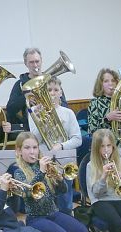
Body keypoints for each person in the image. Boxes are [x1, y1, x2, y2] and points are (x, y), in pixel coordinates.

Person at [7, 132, 87, 232]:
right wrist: (41, 173)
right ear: (18, 151)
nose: (32, 152)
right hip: (35, 218)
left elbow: (62, 191)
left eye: (35, 147)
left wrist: (59, 179)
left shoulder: (44, 166)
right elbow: (28, 193)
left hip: (53, 212)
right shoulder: (18, 171)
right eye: (27, 148)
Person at [23, 76, 81, 215]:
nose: (53, 93)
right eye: (49, 90)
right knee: (47, 201)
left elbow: (77, 139)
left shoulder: (68, 113)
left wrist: (61, 146)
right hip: (44, 161)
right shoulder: (34, 113)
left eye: (56, 89)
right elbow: (35, 139)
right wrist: (39, 119)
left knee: (66, 203)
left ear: (61, 92)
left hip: (63, 161)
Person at [87, 68, 121, 190]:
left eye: (113, 80)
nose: (110, 84)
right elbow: (92, 130)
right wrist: (107, 118)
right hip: (107, 150)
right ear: (100, 84)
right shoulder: (95, 103)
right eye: (106, 81)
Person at [6, 47, 70, 127]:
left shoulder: (52, 81)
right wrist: (25, 98)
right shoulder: (20, 84)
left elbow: (65, 105)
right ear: (26, 63)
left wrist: (53, 101)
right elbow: (10, 109)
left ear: (41, 61)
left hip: (54, 125)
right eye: (31, 62)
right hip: (31, 127)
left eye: (37, 61)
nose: (35, 65)